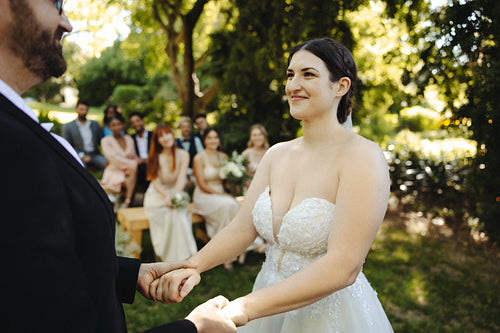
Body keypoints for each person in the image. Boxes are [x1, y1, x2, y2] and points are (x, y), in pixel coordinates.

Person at [0, 1, 236, 331]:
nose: (67, 24)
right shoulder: (11, 148)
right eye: (56, 3)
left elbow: (33, 271)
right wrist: (195, 327)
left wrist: (125, 273)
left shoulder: (18, 130)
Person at [150, 38, 393, 332]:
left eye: (308, 74)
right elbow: (242, 228)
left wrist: (243, 308)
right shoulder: (276, 154)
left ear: (340, 87)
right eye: (290, 75)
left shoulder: (362, 157)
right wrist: (193, 266)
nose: (293, 85)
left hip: (328, 314)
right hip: (266, 297)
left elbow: (344, 266)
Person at [144, 124, 197, 261]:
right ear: (157, 141)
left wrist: (174, 197)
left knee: (177, 212)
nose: (165, 138)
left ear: (172, 135)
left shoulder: (183, 155)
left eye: (167, 133)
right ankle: (167, 256)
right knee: (168, 213)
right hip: (157, 195)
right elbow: (155, 182)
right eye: (160, 136)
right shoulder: (155, 156)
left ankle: (184, 257)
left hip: (176, 191)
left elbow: (181, 179)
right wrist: (166, 196)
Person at [192, 127, 241, 269]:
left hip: (223, 195)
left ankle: (234, 250)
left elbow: (226, 182)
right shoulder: (199, 157)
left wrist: (234, 180)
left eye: (215, 137)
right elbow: (202, 185)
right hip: (205, 195)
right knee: (229, 205)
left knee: (231, 204)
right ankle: (224, 255)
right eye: (209, 137)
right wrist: (224, 195)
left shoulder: (224, 157)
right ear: (204, 140)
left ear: (219, 140)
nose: (213, 140)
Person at [101, 115, 138, 207]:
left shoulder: (129, 139)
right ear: (110, 127)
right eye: (113, 125)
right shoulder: (106, 141)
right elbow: (113, 159)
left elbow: (134, 156)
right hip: (114, 169)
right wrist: (132, 165)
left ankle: (126, 202)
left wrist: (131, 167)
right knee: (131, 176)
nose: (117, 127)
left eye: (118, 124)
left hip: (130, 170)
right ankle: (127, 203)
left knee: (132, 174)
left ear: (123, 125)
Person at [63, 99, 107, 170]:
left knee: (107, 165)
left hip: (94, 154)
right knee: (81, 168)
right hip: (79, 155)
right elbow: (67, 145)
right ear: (76, 109)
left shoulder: (95, 124)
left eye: (86, 110)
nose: (84, 112)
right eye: (81, 109)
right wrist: (81, 155)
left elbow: (101, 141)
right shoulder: (68, 126)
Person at [129, 111, 152, 197]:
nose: (135, 124)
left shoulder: (153, 135)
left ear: (143, 121)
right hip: (137, 165)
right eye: (132, 122)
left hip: (152, 163)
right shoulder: (131, 138)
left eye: (138, 121)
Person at [241, 124, 270, 191]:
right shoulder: (246, 154)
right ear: (251, 137)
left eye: (260, 134)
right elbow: (242, 177)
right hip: (251, 188)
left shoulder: (270, 152)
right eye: (254, 135)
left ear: (264, 136)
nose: (258, 137)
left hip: (269, 188)